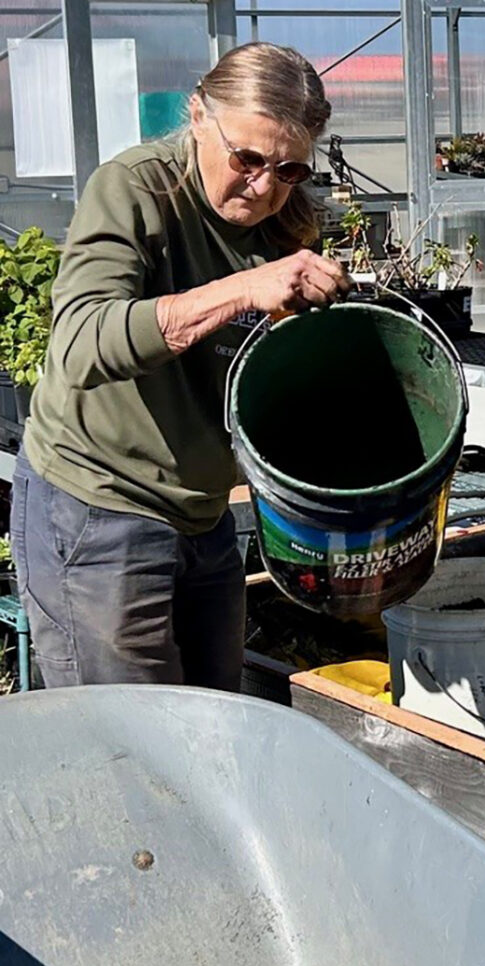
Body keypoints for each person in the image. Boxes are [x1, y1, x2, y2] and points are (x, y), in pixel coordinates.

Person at [10, 42, 352, 690]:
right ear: (199, 114)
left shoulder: (284, 223)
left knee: (209, 726)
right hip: (99, 509)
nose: (262, 187)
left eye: (288, 171)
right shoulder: (136, 190)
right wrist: (241, 290)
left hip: (204, 516)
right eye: (247, 158)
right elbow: (80, 343)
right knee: (127, 745)